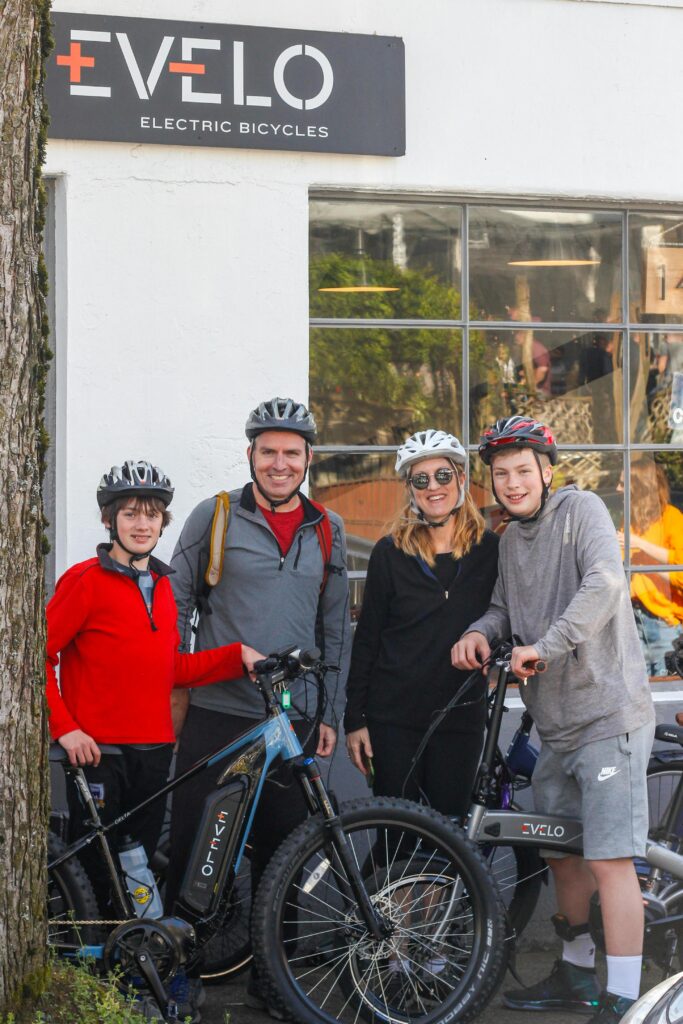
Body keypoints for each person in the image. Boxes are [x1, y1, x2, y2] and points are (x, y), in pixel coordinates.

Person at [451, 416, 655, 1024]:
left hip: (606, 714)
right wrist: (478, 633)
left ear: (546, 470)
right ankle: (574, 977)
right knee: (563, 856)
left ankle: (622, 998)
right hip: (555, 724)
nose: (512, 483)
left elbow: (606, 582)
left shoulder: (581, 511)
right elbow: (502, 608)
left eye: (522, 470)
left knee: (608, 859)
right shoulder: (511, 539)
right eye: (501, 473)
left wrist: (549, 644)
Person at [46, 461, 261, 1022]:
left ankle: (141, 977)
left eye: (151, 514)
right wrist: (65, 726)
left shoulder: (162, 586)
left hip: (152, 749)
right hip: (99, 752)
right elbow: (36, 656)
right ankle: (103, 987)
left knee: (136, 866)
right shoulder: (82, 582)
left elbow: (170, 670)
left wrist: (235, 656)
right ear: (108, 519)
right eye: (129, 513)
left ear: (162, 522)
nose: (142, 523)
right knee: (101, 874)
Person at [167, 397, 351, 1016]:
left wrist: (329, 713)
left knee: (288, 852)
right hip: (218, 711)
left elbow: (335, 633)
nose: (279, 462)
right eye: (268, 451)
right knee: (197, 848)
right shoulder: (214, 516)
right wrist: (178, 687)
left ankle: (275, 981)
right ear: (250, 455)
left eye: (291, 453)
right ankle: (179, 976)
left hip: (290, 718)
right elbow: (175, 604)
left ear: (307, 460)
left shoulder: (328, 528)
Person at [345, 429, 499, 820]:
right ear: (410, 488)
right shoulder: (389, 553)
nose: (434, 487)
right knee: (397, 838)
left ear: (461, 479)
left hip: (460, 718)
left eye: (443, 476)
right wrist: (355, 720)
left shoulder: (490, 550)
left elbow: (507, 615)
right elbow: (368, 640)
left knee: (449, 840)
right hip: (393, 721)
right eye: (421, 479)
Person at [616, 460, 683, 676]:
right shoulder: (632, 521)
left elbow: (680, 570)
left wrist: (639, 544)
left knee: (667, 682)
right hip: (633, 617)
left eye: (623, 483)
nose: (618, 489)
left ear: (641, 487)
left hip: (662, 621)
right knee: (636, 685)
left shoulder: (671, 518)